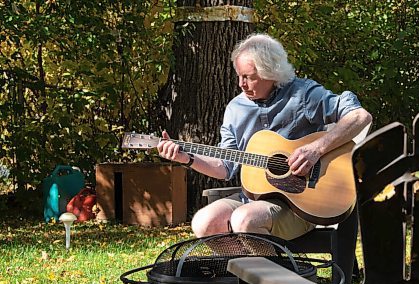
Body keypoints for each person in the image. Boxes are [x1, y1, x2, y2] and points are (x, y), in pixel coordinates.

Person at [157, 33, 372, 241]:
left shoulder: (303, 94)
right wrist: (187, 158)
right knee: (203, 223)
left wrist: (315, 150)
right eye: (238, 76)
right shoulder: (235, 109)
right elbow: (225, 167)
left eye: (249, 77)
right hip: (251, 199)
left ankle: (273, 275)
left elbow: (359, 116)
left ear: (271, 72)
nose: (241, 84)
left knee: (245, 219)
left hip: (302, 205)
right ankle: (256, 272)